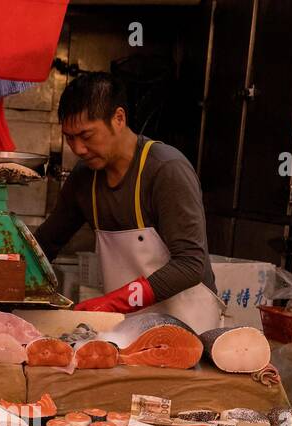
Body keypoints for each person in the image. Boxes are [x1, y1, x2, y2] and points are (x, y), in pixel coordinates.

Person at [34, 72, 220, 331]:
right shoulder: (84, 177)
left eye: (86, 136)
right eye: (69, 138)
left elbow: (190, 264)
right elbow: (46, 242)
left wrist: (112, 302)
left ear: (118, 118)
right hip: (126, 329)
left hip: (187, 327)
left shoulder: (166, 168)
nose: (77, 149)